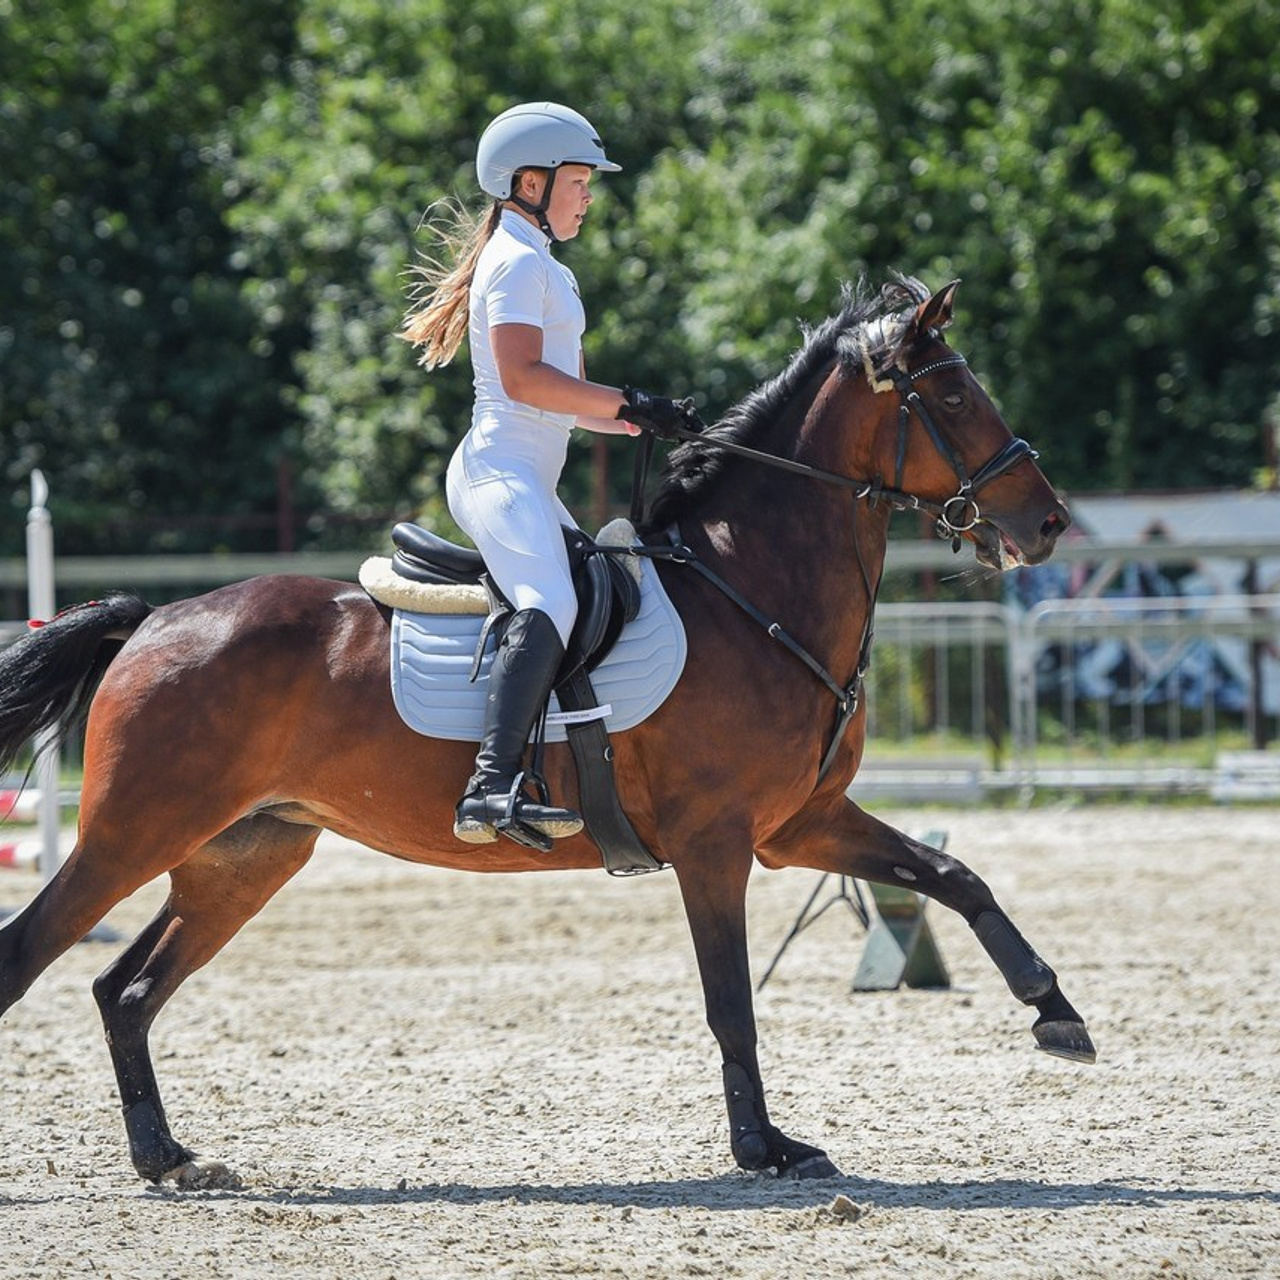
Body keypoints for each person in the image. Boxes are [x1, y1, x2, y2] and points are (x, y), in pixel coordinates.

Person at [401, 102, 696, 851]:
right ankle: (488, 788)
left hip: (530, 476)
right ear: (530, 182)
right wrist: (626, 400)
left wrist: (644, 418)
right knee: (549, 598)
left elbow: (574, 401)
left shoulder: (543, 264)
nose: (589, 194)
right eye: (580, 180)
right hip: (497, 471)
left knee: (595, 589)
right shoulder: (516, 260)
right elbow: (525, 380)